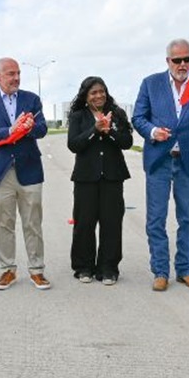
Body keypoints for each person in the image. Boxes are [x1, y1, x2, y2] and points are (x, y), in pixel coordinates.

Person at [133, 38, 189, 291]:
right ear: (168, 61)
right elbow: (138, 117)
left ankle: (186, 269)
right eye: (177, 60)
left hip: (188, 162)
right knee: (156, 220)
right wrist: (152, 132)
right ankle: (160, 271)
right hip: (159, 161)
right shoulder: (151, 84)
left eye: (187, 59)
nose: (183, 64)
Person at [0, 58, 51, 290]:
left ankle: (37, 270)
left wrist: (28, 128)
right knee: (3, 224)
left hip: (29, 169)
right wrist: (10, 130)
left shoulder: (31, 99)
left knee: (33, 223)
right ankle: (7, 270)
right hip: (0, 172)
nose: (16, 78)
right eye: (10, 74)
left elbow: (43, 129)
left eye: (18, 73)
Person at [66, 76, 133, 286]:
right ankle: (83, 267)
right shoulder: (78, 116)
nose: (99, 96)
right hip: (86, 178)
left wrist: (110, 130)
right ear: (86, 97)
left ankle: (108, 268)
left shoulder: (118, 114)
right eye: (93, 92)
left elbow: (127, 142)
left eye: (101, 91)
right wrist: (95, 130)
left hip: (113, 177)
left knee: (111, 224)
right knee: (84, 224)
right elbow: (74, 145)